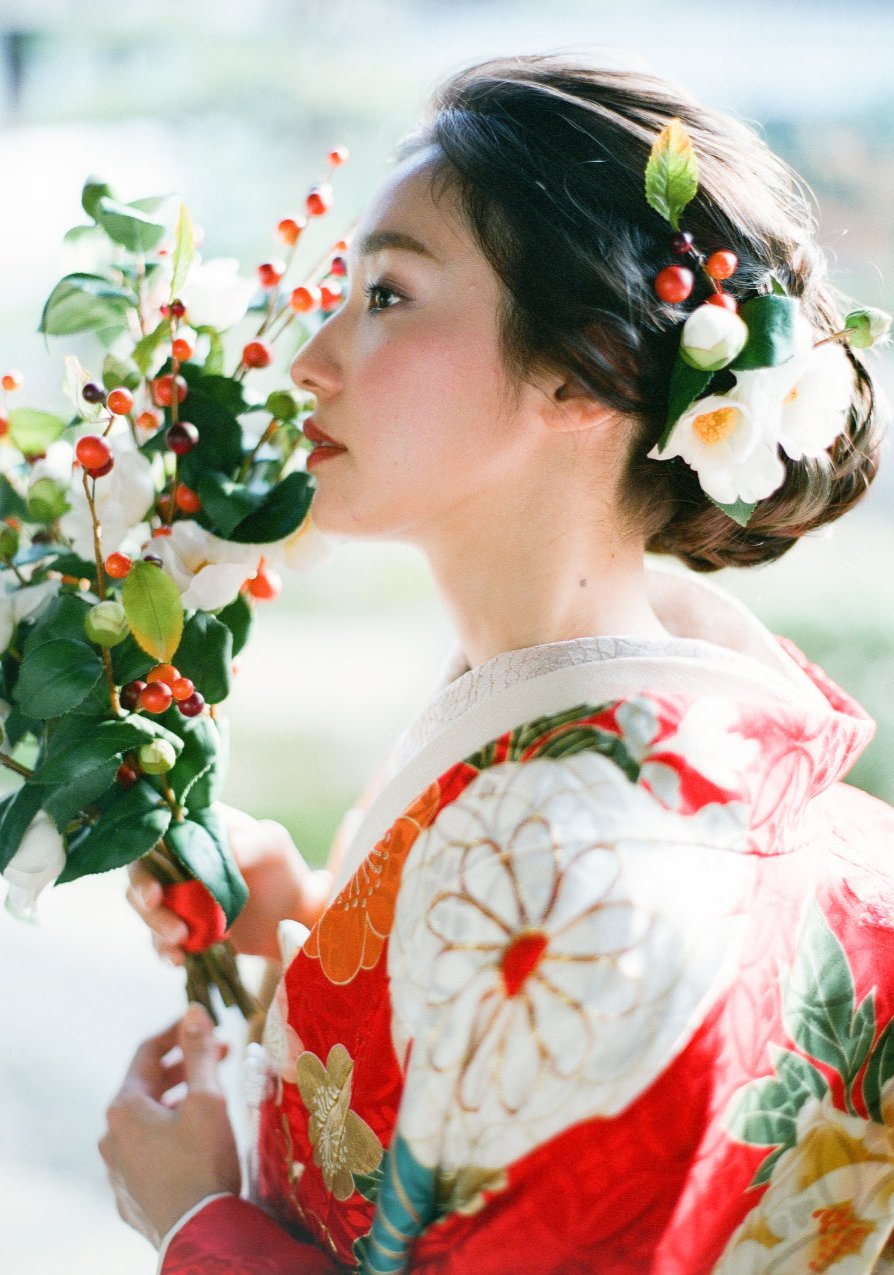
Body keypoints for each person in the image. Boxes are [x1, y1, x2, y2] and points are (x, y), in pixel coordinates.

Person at [99, 53, 894, 1274]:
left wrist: (200, 1222)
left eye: (389, 295)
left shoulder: (606, 879)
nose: (310, 358)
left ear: (587, 372)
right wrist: (318, 924)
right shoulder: (576, 739)